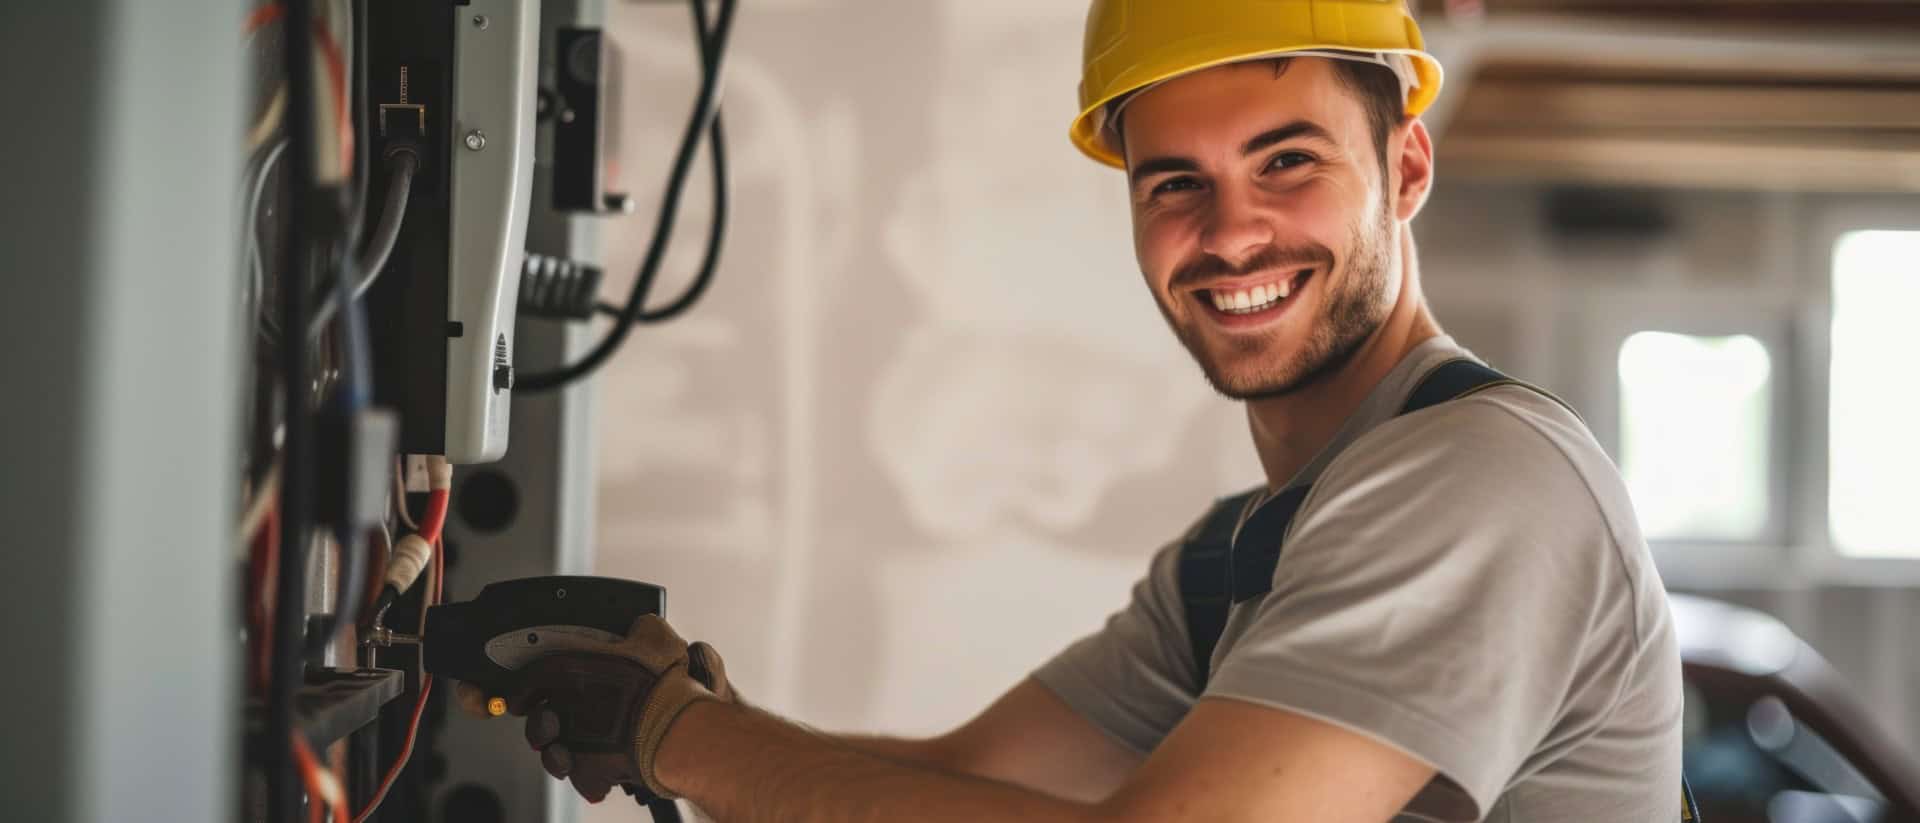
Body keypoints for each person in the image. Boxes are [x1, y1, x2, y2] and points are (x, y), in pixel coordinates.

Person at [461, 1, 1684, 820]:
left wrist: (675, 733)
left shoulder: (1485, 482)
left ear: (1405, 169)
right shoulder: (1230, 566)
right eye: (1176, 184)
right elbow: (959, 780)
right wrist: (699, 708)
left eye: (1287, 162)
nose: (1229, 232)